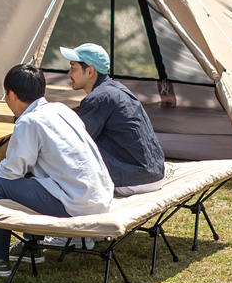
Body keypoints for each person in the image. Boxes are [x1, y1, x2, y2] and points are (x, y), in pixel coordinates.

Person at [0, 64, 113, 277]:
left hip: (76, 203)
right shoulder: (61, 109)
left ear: (10, 94)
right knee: (29, 175)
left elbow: (12, 170)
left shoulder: (29, 121)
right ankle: (32, 246)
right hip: (99, 196)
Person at [60, 43, 165, 196]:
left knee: (68, 154)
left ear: (90, 71)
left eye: (73, 68)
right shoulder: (117, 89)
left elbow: (75, 144)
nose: (69, 74)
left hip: (134, 180)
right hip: (153, 172)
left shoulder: (98, 98)